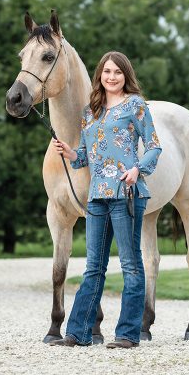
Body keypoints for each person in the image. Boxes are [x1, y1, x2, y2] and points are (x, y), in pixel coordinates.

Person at [49, 51, 162, 349]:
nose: (112, 77)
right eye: (107, 72)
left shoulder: (136, 106)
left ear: (126, 76)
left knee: (131, 265)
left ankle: (127, 334)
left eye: (118, 72)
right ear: (99, 74)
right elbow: (86, 156)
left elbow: (153, 147)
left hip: (127, 195)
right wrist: (70, 153)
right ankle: (78, 333)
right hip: (97, 196)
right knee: (93, 267)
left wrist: (138, 170)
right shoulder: (91, 111)